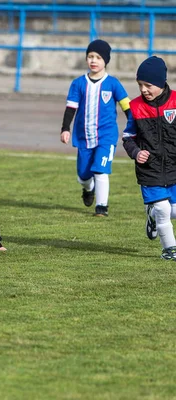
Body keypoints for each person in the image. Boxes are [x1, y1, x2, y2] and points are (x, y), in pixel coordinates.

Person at [60, 39, 131, 217]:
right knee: (83, 176)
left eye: (98, 57)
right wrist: (65, 128)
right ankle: (88, 188)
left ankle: (102, 208)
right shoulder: (78, 83)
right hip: (84, 137)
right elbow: (71, 108)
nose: (93, 60)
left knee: (101, 170)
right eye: (90, 56)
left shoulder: (113, 84)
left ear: (105, 60)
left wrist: (136, 127)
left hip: (106, 136)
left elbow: (127, 107)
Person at [123, 56, 176, 260]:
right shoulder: (135, 107)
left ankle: (152, 216)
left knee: (170, 210)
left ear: (161, 83)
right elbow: (128, 137)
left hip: (173, 166)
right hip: (150, 168)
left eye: (148, 85)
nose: (143, 89)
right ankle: (169, 249)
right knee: (163, 208)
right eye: (140, 85)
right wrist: (136, 153)